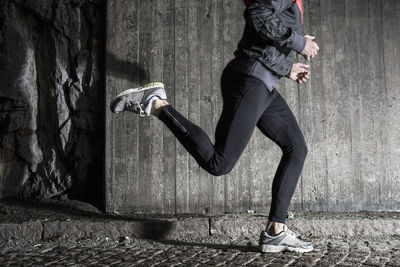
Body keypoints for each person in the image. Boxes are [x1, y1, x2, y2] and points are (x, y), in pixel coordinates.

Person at [110, 0, 319, 253]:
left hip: (263, 84)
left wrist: (288, 66)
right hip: (250, 81)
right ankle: (156, 104)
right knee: (219, 163)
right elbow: (257, 16)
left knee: (296, 148)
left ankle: (276, 231)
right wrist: (298, 42)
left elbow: (263, 39)